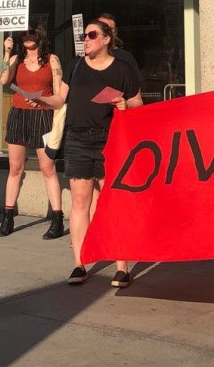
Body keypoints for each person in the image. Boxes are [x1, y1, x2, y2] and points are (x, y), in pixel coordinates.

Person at [39, 20, 142, 287]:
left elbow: (137, 101)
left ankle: (122, 266)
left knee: (113, 201)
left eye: (92, 35)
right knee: (80, 202)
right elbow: (61, 99)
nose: (86, 39)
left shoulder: (122, 68)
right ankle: (79, 263)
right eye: (84, 35)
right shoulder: (75, 66)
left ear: (106, 39)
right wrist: (42, 99)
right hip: (77, 139)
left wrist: (124, 102)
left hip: (110, 139)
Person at [0, 27, 65, 239]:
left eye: (32, 34)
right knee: (15, 168)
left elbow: (58, 90)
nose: (27, 38)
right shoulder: (16, 59)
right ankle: (8, 216)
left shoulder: (52, 60)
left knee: (47, 168)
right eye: (24, 35)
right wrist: (6, 53)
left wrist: (50, 111)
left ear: (40, 37)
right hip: (19, 115)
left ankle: (57, 218)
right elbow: (3, 80)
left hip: (43, 115)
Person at [97, 12, 145, 86]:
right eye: (103, 28)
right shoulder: (87, 57)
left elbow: (136, 86)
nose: (107, 32)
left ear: (116, 32)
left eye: (111, 29)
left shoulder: (126, 58)